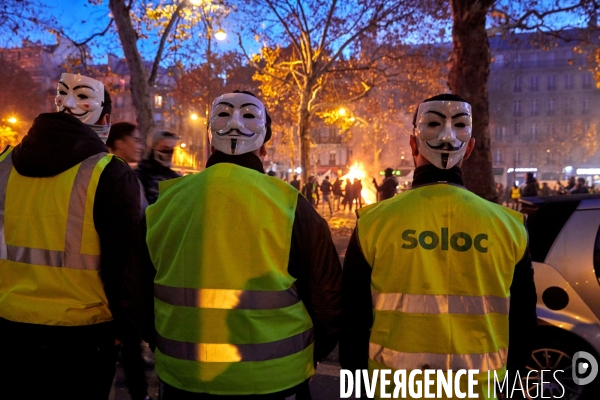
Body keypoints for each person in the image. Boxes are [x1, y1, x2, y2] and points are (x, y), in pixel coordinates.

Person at [136, 91, 342, 398]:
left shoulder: (164, 204)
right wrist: (307, 355)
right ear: (265, 146)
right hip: (277, 380)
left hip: (184, 379)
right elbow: (328, 302)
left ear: (208, 140)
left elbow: (136, 292)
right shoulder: (292, 207)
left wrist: (162, 345)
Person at [340, 94, 537, 398]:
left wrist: (358, 390)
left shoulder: (373, 223)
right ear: (470, 149)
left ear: (412, 144)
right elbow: (523, 325)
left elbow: (352, 322)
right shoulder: (510, 227)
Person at [0, 73, 141, 399]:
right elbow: (124, 265)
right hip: (81, 340)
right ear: (106, 119)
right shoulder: (109, 173)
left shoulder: (4, 165)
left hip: (8, 329)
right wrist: (123, 332)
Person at [106, 122, 152, 400]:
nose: (139, 145)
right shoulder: (119, 176)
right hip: (122, 277)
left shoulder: (123, 175)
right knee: (129, 341)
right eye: (134, 139)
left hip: (119, 277)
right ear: (119, 142)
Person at [135, 130, 181, 205]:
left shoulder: (174, 177)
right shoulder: (142, 174)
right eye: (165, 149)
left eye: (171, 150)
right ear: (153, 149)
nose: (169, 154)